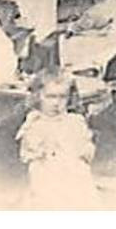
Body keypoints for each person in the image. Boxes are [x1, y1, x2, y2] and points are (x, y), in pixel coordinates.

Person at [16, 69, 100, 206]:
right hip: (45, 177)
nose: (56, 103)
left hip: (75, 178)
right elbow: (30, 156)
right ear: (38, 96)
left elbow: (86, 153)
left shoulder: (75, 121)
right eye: (50, 97)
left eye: (62, 97)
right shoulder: (35, 123)